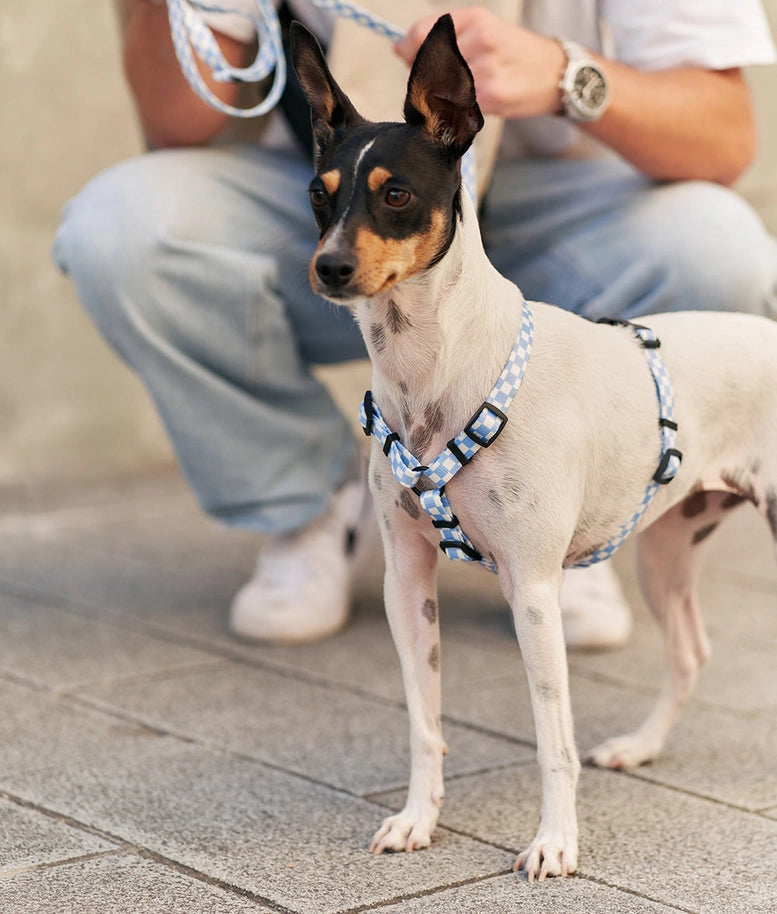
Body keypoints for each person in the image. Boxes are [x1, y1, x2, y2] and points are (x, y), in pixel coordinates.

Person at [53, 1, 777, 646]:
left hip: (565, 195)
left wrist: (569, 75)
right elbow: (174, 118)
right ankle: (311, 508)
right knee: (121, 231)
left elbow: (722, 138)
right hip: (340, 206)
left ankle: (573, 499)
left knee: (721, 252)